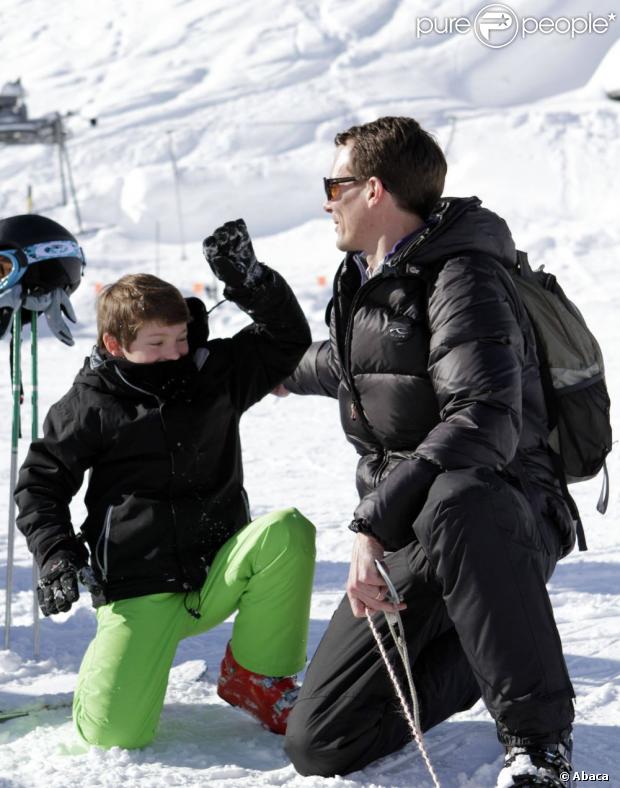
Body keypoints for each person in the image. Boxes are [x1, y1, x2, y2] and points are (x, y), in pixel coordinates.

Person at [280, 117, 576, 787]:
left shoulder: (464, 277)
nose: (328, 199)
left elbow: (484, 419)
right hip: (416, 530)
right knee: (320, 742)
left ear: (374, 189)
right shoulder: (367, 276)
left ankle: (539, 744)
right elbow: (360, 364)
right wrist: (268, 370)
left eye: (336, 184)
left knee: (458, 492)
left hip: (500, 518)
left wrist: (372, 525)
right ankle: (493, 642)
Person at [15, 219, 316, 749]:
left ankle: (258, 678)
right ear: (114, 343)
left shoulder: (212, 372)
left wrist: (250, 282)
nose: (174, 352)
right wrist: (56, 553)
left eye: (179, 338)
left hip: (216, 571)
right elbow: (41, 482)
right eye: (156, 343)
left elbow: (288, 337)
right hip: (140, 586)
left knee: (287, 531)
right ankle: (111, 680)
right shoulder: (92, 402)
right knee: (115, 735)